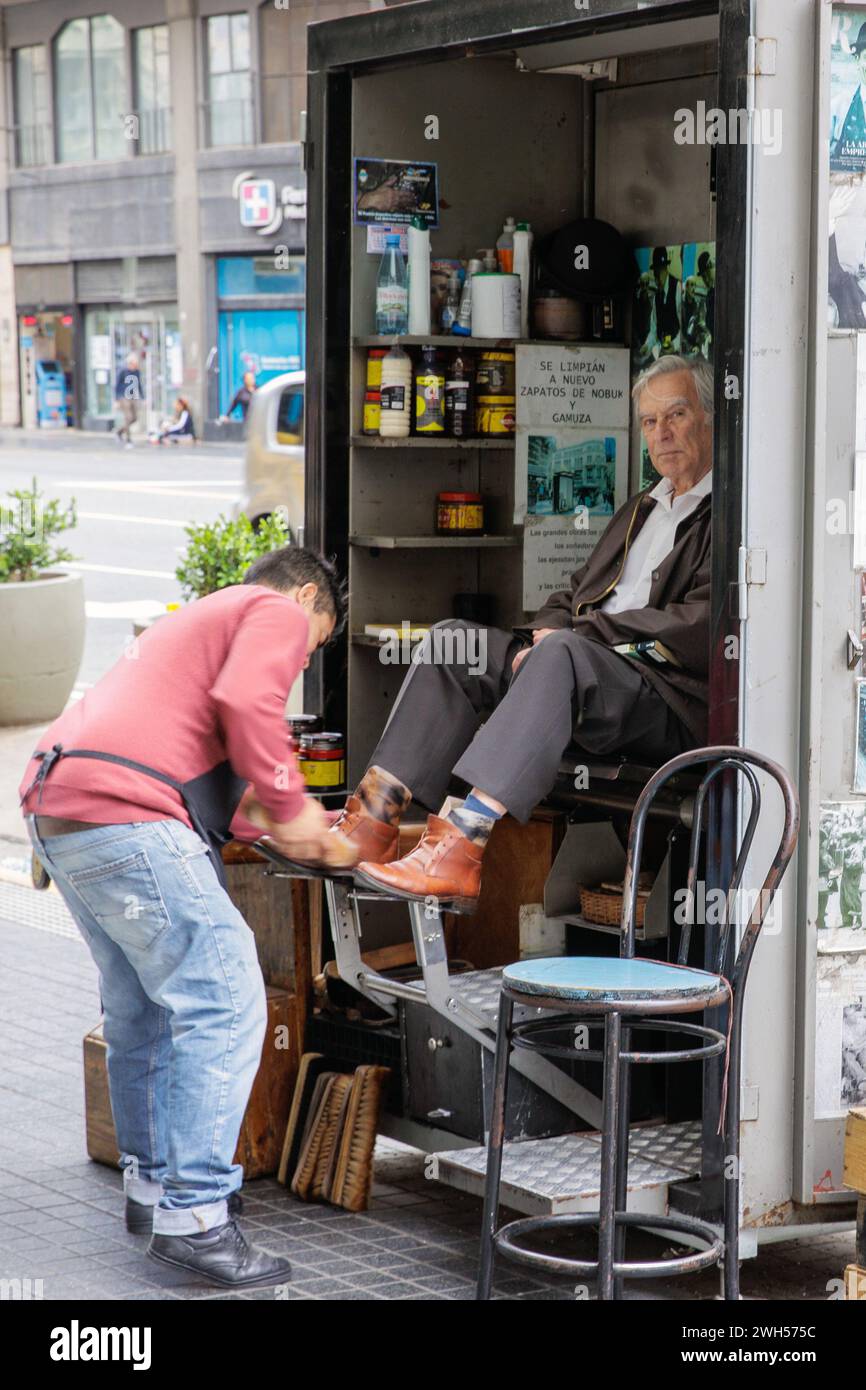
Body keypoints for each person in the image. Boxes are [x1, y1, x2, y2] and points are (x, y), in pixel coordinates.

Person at [20, 548, 357, 1290]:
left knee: (139, 1005)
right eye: (315, 643)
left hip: (62, 809)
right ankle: (196, 1218)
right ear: (304, 598)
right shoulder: (267, 609)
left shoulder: (190, 629)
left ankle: (151, 1188)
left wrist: (291, 821)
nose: (299, 662)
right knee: (227, 996)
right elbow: (248, 706)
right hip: (124, 814)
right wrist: (296, 804)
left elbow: (210, 789)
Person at [320, 355, 714, 914]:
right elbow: (576, 592)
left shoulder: (729, 515)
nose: (662, 433)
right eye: (649, 422)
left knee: (564, 652)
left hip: (661, 696)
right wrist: (542, 633)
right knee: (455, 641)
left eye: (675, 414)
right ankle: (373, 821)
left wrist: (576, 638)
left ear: (709, 418)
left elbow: (696, 627)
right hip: (582, 672)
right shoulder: (640, 509)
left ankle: (458, 849)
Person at [115, 353, 143, 449]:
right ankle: (128, 439)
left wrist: (142, 397)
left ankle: (120, 431)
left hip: (133, 396)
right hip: (124, 396)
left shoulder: (137, 372)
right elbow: (117, 385)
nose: (136, 365)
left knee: (134, 418)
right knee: (128, 417)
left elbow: (139, 384)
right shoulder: (123, 371)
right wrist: (117, 399)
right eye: (134, 363)